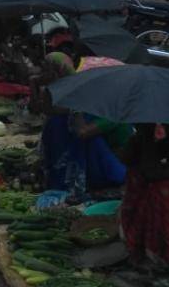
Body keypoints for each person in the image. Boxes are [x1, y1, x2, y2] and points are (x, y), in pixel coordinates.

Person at [34, 53, 126, 196]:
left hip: (116, 162)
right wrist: (41, 84)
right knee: (56, 123)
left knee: (87, 137)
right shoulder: (93, 105)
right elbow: (50, 111)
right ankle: (57, 177)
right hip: (96, 158)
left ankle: (77, 183)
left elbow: (82, 132)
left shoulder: (114, 113)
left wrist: (77, 103)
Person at [120, 123, 169, 266]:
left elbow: (126, 158)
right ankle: (147, 252)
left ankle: (147, 252)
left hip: (156, 183)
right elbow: (128, 158)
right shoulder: (143, 134)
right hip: (147, 182)